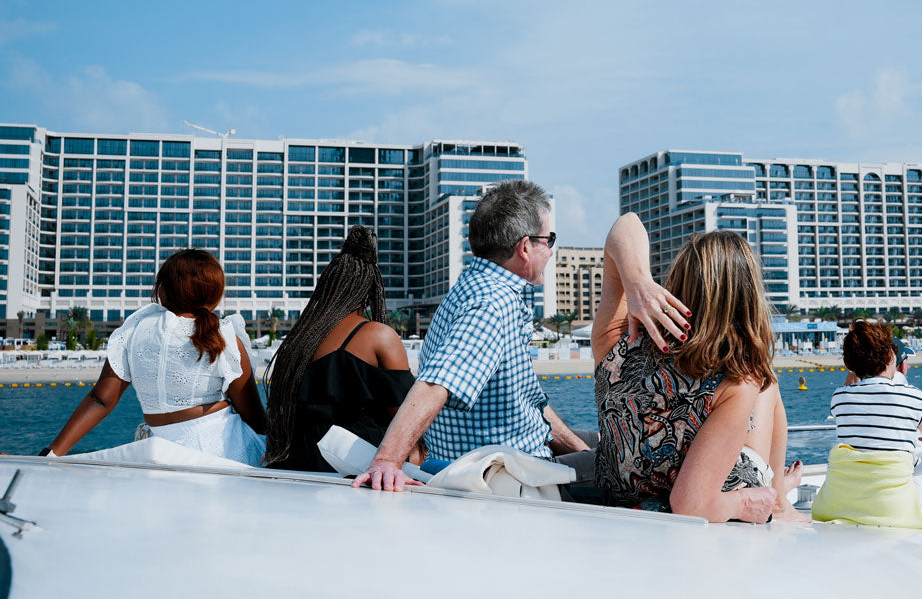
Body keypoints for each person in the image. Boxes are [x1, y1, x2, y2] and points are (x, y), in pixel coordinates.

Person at [353, 180, 590, 491]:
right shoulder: (494, 304)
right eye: (549, 240)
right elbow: (436, 383)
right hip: (514, 473)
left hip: (490, 455)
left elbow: (528, 402)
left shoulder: (469, 289)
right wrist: (387, 460)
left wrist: (580, 451)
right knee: (641, 462)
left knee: (601, 445)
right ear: (525, 247)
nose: (550, 250)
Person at [592, 212, 805, 523]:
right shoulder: (735, 383)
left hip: (620, 495)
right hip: (716, 491)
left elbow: (625, 224)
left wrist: (638, 282)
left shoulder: (615, 341)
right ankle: (779, 502)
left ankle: (779, 492)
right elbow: (690, 504)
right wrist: (745, 502)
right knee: (766, 381)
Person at [43, 249, 266, 464]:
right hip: (223, 452)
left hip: (157, 451)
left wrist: (52, 453)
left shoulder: (135, 330)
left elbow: (100, 399)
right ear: (215, 293)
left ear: (163, 289)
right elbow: (254, 418)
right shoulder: (223, 336)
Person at [812, 320, 922, 545]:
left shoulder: (839, 398)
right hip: (893, 511)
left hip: (840, 505)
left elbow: (861, 396)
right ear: (890, 357)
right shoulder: (910, 396)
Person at [262, 226, 422, 472]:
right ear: (369, 293)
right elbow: (404, 419)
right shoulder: (379, 336)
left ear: (327, 288)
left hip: (295, 461)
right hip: (353, 463)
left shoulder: (299, 338)